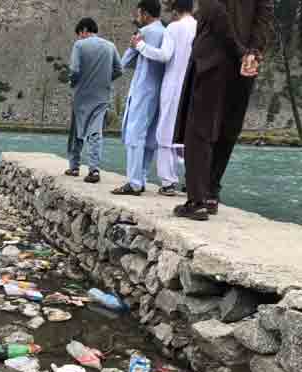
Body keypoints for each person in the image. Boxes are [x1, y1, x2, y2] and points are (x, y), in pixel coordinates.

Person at [173, 0, 274, 221]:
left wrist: (240, 51)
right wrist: (252, 52)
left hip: (214, 57)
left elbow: (213, 11)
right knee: (228, 128)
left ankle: (197, 200)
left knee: (199, 130)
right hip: (244, 64)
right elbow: (264, 15)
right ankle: (210, 195)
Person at [131, 0, 196, 196]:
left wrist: (140, 45)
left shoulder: (174, 28)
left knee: (166, 133)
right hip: (194, 87)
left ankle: (168, 182)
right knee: (189, 134)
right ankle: (192, 180)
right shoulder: (199, 27)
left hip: (173, 86)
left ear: (175, 9)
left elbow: (165, 55)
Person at [111, 0, 165, 196]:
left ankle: (133, 182)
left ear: (145, 13)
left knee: (134, 135)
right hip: (160, 91)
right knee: (150, 137)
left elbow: (125, 62)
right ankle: (141, 178)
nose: (137, 17)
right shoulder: (165, 31)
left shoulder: (145, 33)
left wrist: (131, 47)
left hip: (143, 89)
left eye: (138, 13)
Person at [65, 17, 123, 183]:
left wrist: (73, 82)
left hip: (81, 96)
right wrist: (105, 79)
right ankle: (94, 170)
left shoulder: (79, 45)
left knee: (76, 131)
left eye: (79, 34)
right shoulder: (110, 46)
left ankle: (74, 166)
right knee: (96, 133)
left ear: (83, 30)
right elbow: (119, 70)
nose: (79, 38)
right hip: (102, 96)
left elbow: (75, 70)